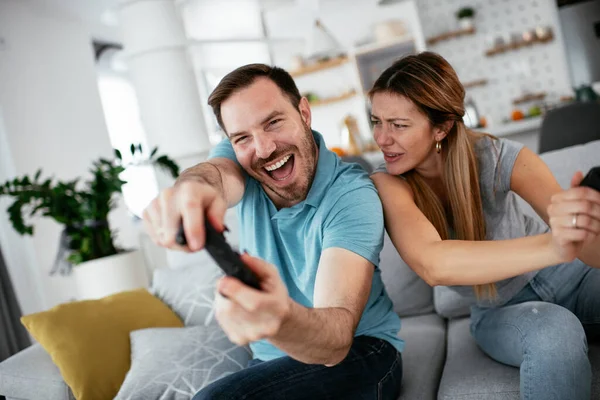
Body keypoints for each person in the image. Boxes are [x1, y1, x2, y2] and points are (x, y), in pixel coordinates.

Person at [142, 63, 403, 399]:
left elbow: (335, 338)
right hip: (276, 362)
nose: (264, 149)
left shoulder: (351, 195)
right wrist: (190, 188)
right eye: (242, 138)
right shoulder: (241, 161)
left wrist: (279, 318)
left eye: (273, 123)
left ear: (304, 113)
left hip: (364, 354)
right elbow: (216, 176)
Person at [369, 51, 600, 400]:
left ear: (442, 127)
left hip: (571, 278)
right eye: (376, 121)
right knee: (554, 330)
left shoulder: (499, 157)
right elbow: (434, 264)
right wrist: (554, 246)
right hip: (500, 310)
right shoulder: (389, 185)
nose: (382, 139)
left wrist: (585, 227)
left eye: (398, 125)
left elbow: (587, 252)